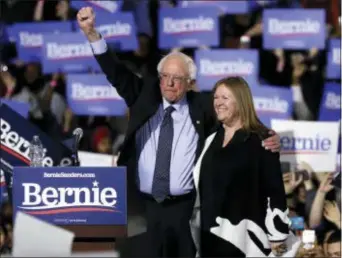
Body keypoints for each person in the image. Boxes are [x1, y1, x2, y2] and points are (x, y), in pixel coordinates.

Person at [77, 7, 281, 257]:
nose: (170, 83)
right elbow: (115, 71)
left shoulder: (204, 106)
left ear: (190, 82)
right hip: (142, 206)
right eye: (165, 77)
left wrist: (267, 136)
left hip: (185, 208)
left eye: (177, 78)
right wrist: (91, 33)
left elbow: (238, 117)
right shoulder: (143, 96)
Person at [190, 77, 291, 257]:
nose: (218, 103)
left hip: (245, 237)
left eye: (225, 98)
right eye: (216, 97)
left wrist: (277, 237)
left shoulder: (261, 140)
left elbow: (274, 190)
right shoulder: (212, 138)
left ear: (241, 101)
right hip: (209, 233)